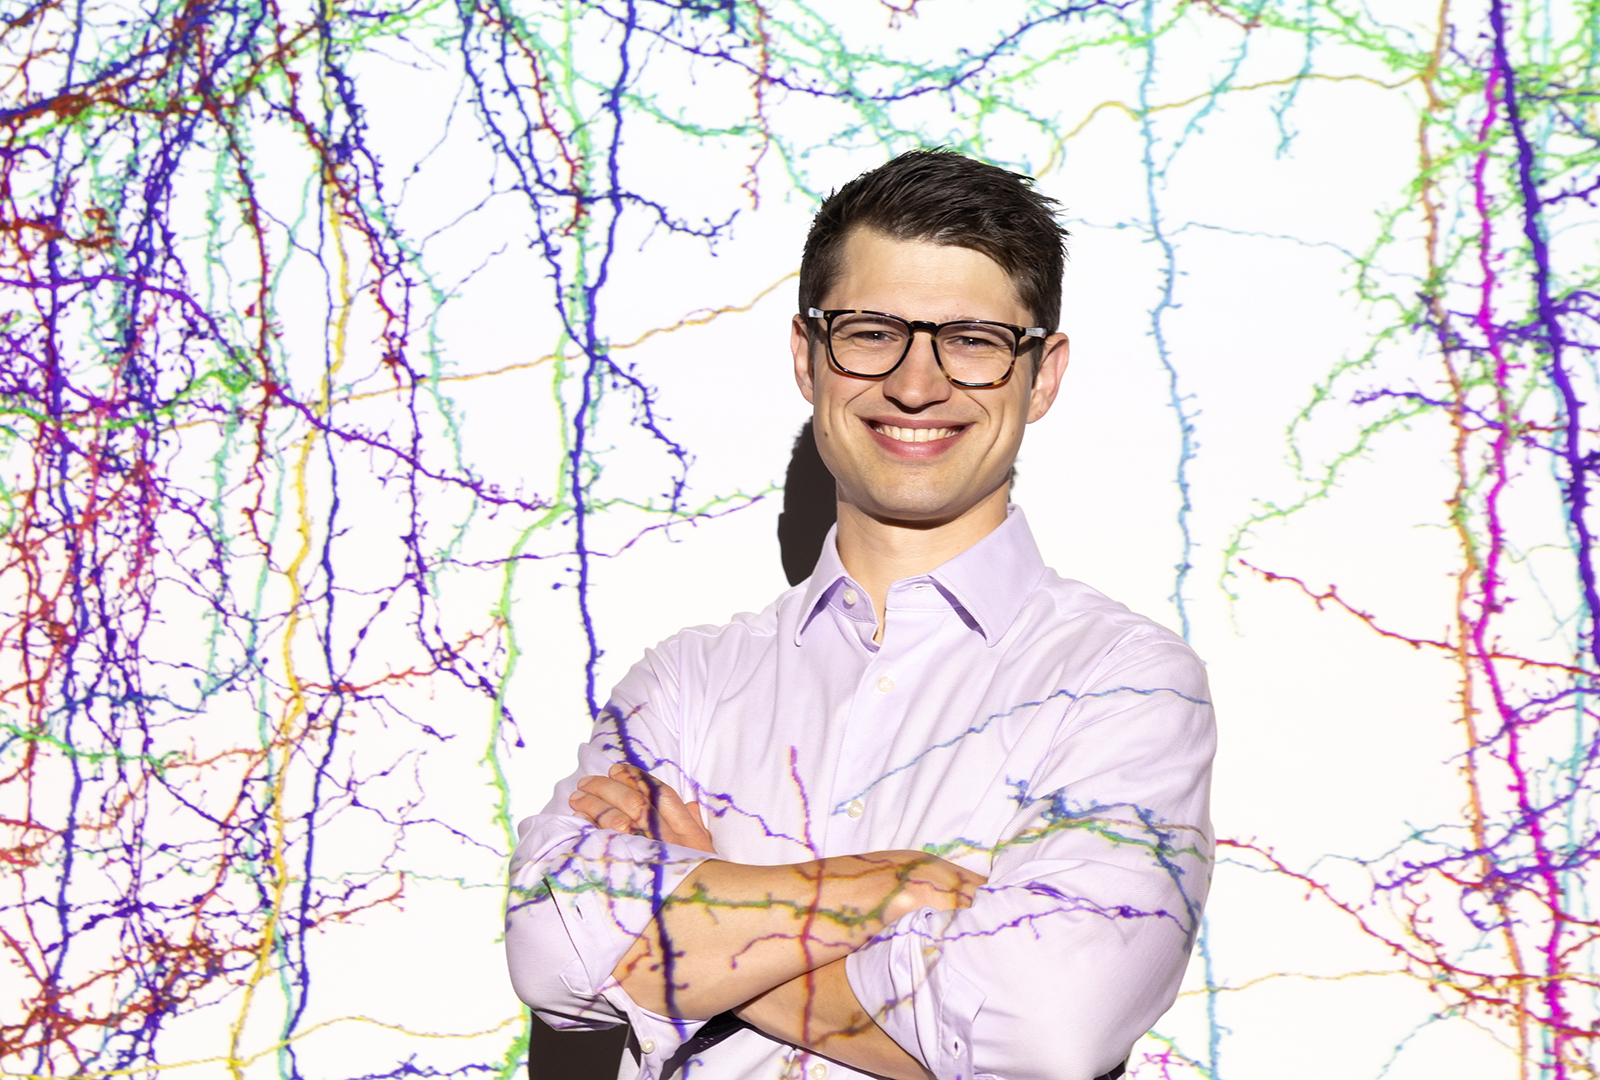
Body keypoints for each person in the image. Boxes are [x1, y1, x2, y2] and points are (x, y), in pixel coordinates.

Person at [504, 149, 1216, 1080]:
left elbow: (1046, 1033)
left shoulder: (1126, 684)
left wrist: (705, 911)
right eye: (873, 331)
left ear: (1041, 376)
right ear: (808, 356)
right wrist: (892, 888)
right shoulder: (687, 682)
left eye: (971, 339)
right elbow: (552, 956)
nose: (916, 384)